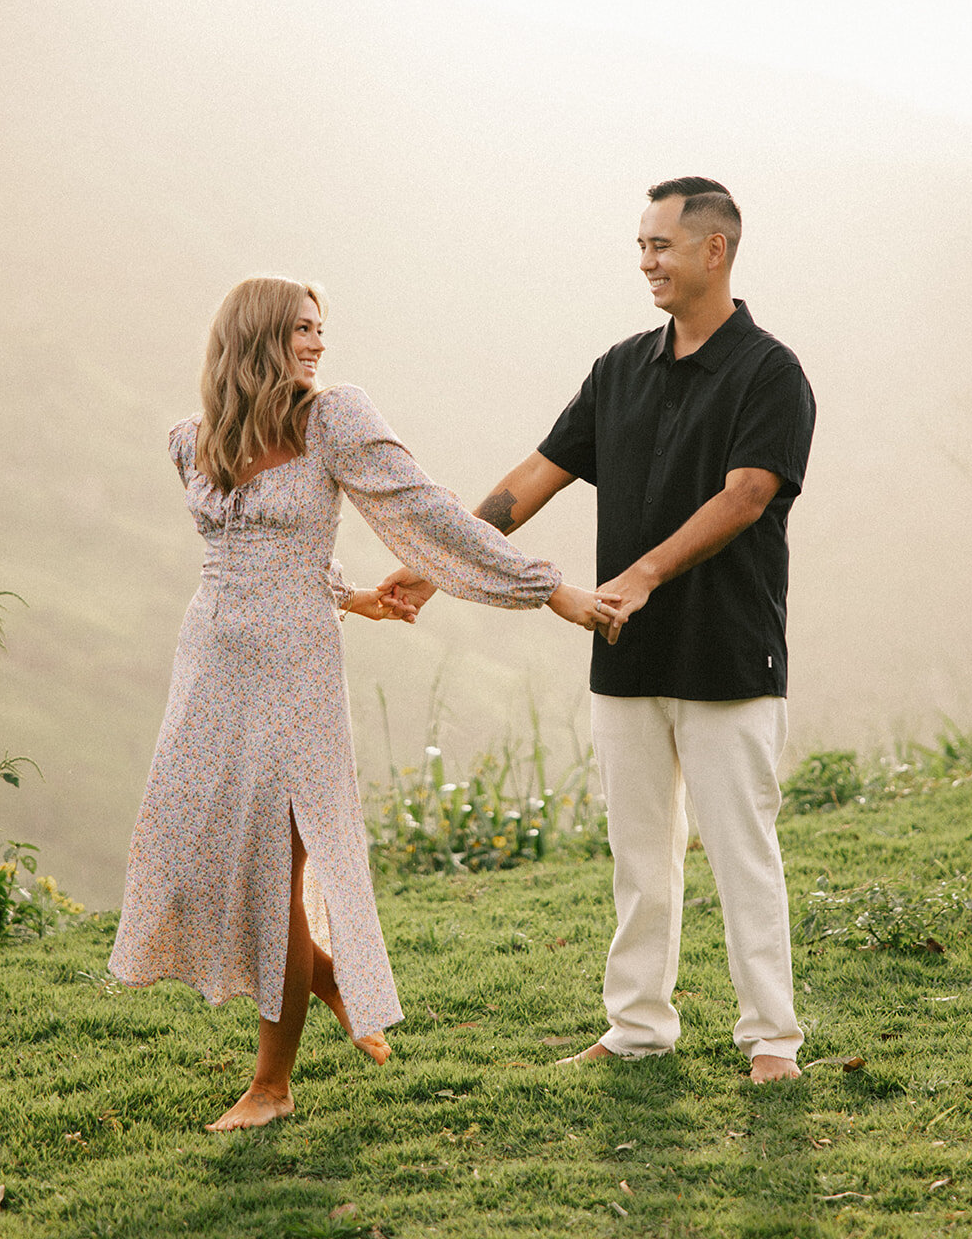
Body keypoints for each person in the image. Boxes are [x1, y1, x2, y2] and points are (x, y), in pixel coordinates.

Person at [109, 276, 614, 1132]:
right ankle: (329, 976)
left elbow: (425, 511)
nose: (316, 344)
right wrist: (353, 594)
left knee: (280, 867)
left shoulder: (332, 417)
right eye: (301, 330)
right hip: (209, 668)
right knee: (198, 862)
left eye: (320, 330)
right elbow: (249, 552)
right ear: (254, 336)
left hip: (296, 674)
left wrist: (546, 587)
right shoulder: (188, 441)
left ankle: (271, 1085)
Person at [381, 178, 815, 1083]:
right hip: (624, 653)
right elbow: (531, 480)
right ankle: (637, 1029)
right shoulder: (619, 367)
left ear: (714, 251)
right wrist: (435, 561)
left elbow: (746, 496)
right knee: (639, 857)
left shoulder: (770, 372)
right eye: (641, 246)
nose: (647, 261)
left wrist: (643, 573)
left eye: (661, 244)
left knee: (742, 853)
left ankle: (770, 1037)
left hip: (729, 655)